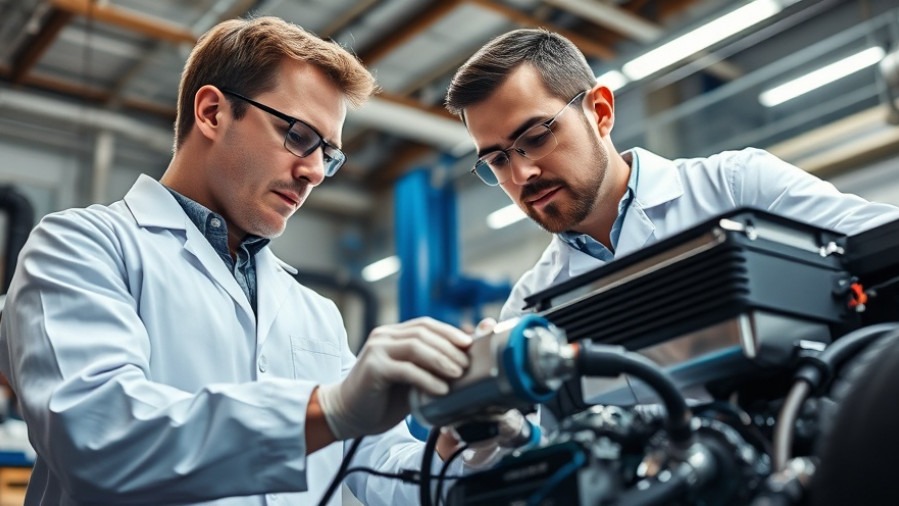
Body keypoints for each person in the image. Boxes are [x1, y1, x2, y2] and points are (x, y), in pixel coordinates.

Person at [0, 16, 485, 505]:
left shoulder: (314, 312)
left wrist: (462, 450)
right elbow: (97, 439)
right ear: (212, 112)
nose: (315, 171)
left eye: (329, 155)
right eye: (298, 135)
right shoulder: (81, 247)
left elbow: (375, 464)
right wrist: (327, 409)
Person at [445, 28, 899, 325]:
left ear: (600, 112)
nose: (522, 173)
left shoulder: (740, 188)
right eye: (498, 161)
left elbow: (884, 249)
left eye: (538, 136)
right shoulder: (527, 306)